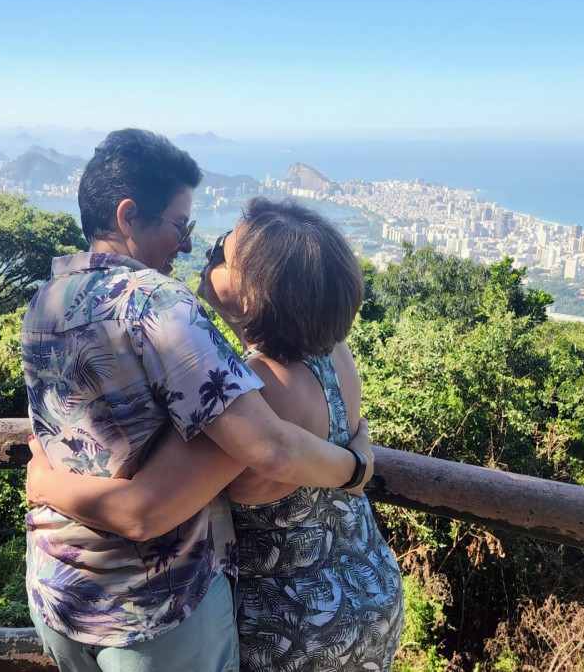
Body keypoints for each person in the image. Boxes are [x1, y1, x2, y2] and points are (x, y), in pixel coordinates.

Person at [23, 130, 374, 672]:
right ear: (128, 217)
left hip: (60, 587)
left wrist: (46, 485)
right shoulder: (162, 307)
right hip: (159, 609)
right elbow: (265, 450)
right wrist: (355, 464)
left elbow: (269, 449)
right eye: (180, 228)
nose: (188, 247)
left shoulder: (46, 298)